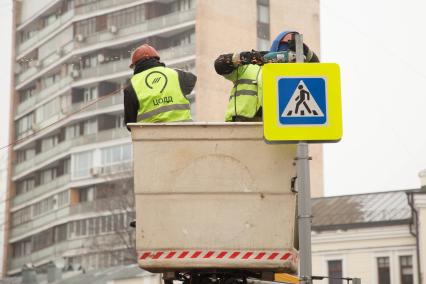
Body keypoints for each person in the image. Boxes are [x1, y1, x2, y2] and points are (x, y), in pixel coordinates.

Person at [214, 31, 319, 122]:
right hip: (241, 124)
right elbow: (220, 65)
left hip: (275, 127)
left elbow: (319, 75)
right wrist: (245, 57)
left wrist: (307, 52)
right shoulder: (249, 67)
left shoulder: (294, 77)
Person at [123, 44, 197, 130]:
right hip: (184, 133)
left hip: (151, 138)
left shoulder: (131, 88)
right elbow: (192, 80)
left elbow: (130, 124)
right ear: (156, 60)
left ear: (135, 65)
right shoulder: (176, 74)